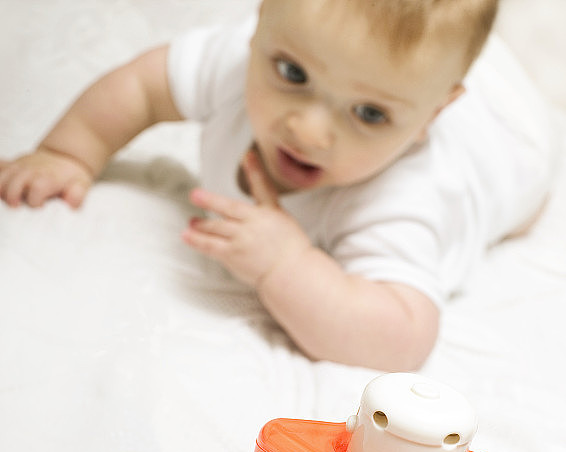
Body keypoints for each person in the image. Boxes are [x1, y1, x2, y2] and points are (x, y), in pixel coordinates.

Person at [0, 0, 556, 369]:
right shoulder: (243, 54)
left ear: (435, 114)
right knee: (394, 56)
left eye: (368, 114)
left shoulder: (406, 196)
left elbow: (403, 337)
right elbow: (145, 86)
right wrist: (68, 151)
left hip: (513, 143)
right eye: (292, 75)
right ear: (260, 22)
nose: (309, 131)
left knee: (526, 200)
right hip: (406, 72)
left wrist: (286, 266)